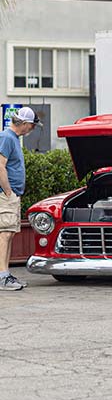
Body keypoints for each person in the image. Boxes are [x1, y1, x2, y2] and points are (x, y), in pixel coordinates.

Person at [0, 107, 41, 291]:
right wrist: (8, 191)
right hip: (6, 194)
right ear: (24, 124)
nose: (32, 129)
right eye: (32, 126)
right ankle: (2, 276)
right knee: (5, 233)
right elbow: (0, 165)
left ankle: (5, 274)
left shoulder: (13, 138)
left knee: (9, 233)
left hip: (12, 194)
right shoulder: (7, 138)